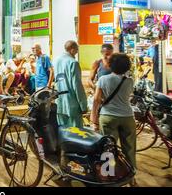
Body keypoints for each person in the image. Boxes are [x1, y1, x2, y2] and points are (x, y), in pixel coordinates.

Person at [90, 53, 137, 184]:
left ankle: (108, 176)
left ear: (111, 65)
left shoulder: (103, 79)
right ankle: (131, 176)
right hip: (128, 117)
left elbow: (96, 99)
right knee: (130, 148)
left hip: (108, 117)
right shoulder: (130, 80)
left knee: (107, 148)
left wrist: (93, 118)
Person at [53, 41, 87, 128]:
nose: (76, 52)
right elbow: (77, 85)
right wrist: (83, 105)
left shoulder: (57, 60)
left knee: (63, 132)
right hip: (72, 104)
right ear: (72, 49)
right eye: (76, 50)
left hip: (60, 102)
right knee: (76, 133)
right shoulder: (73, 62)